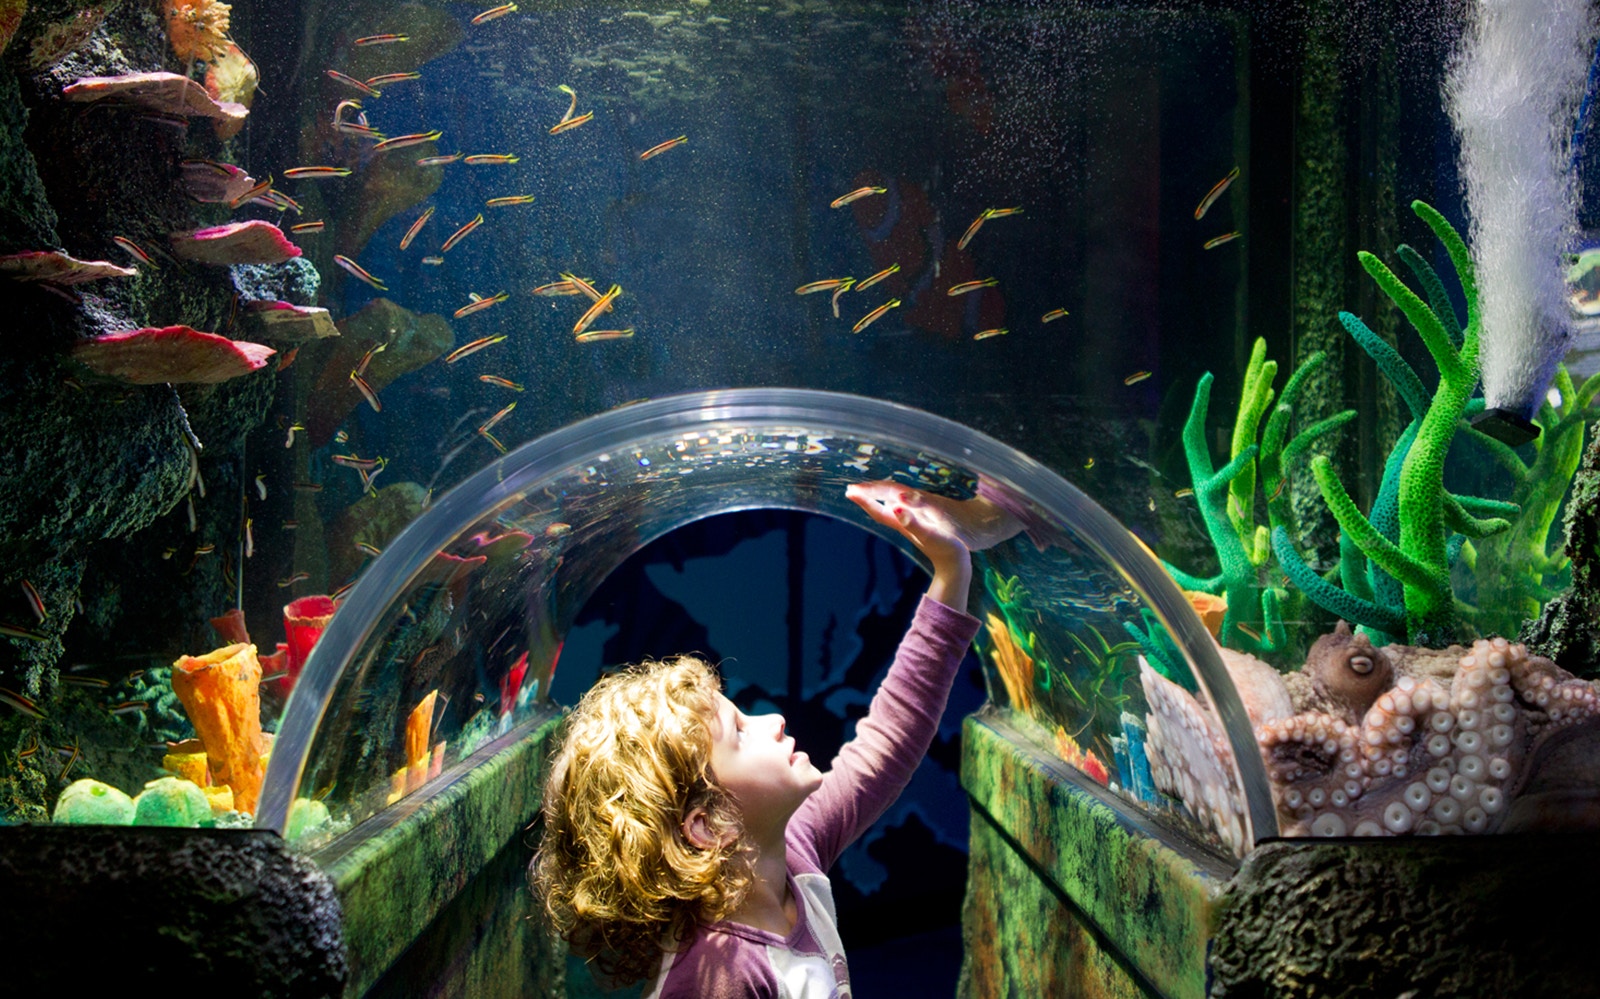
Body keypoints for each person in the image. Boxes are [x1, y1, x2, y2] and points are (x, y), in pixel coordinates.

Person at [532, 481, 1017, 997]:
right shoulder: (718, 979)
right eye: (738, 732)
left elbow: (890, 740)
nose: (774, 720)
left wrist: (951, 571)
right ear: (706, 824)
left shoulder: (790, 852)